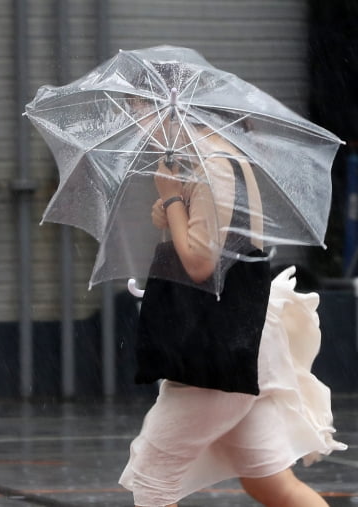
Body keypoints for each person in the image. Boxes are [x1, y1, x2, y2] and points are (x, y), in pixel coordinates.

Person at [119, 117, 347, 507]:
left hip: (217, 351)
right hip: (246, 344)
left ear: (177, 116)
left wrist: (172, 198)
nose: (143, 130)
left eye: (143, 116)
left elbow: (200, 265)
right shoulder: (226, 162)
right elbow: (225, 245)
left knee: (153, 482)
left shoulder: (214, 168)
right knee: (270, 484)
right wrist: (173, 210)